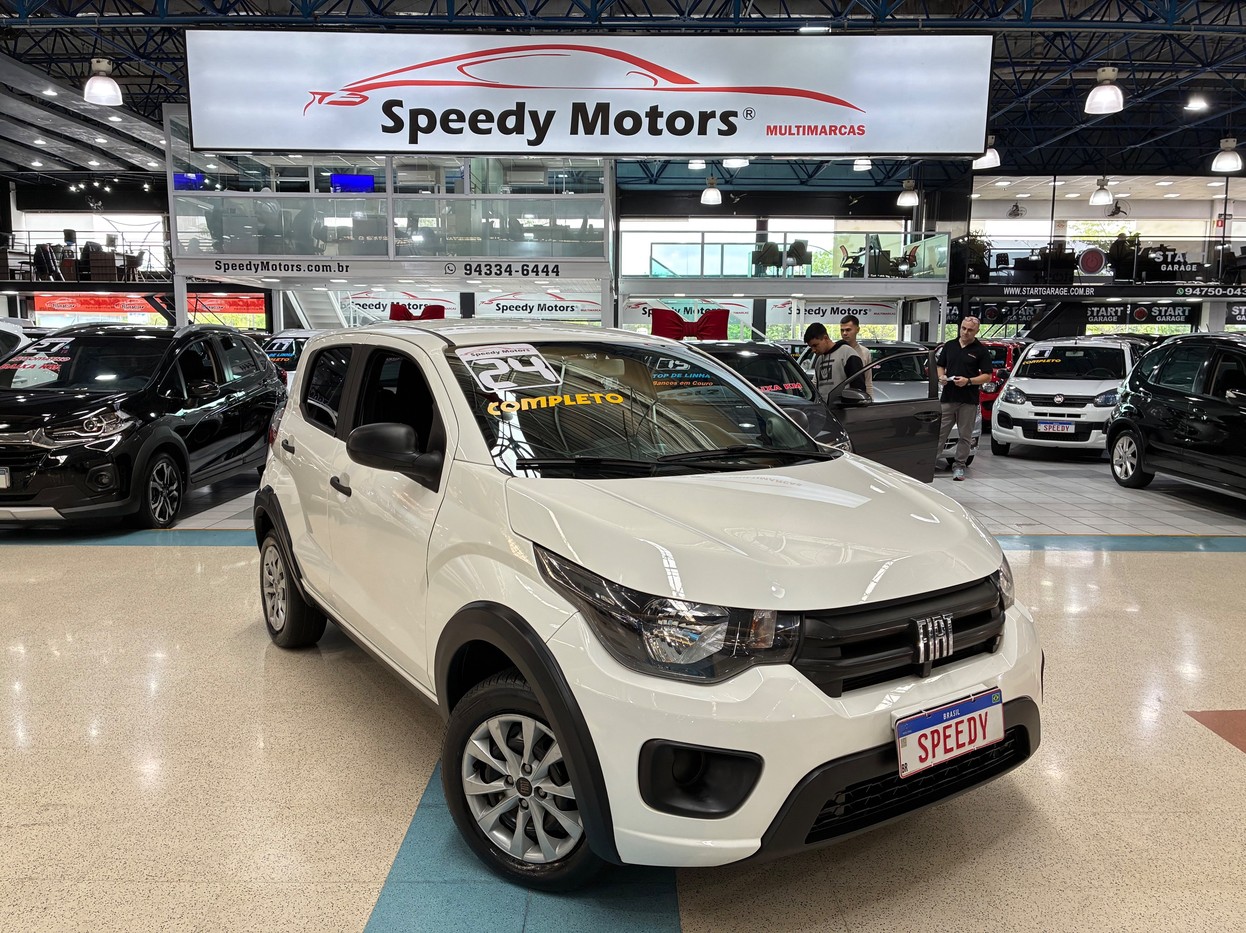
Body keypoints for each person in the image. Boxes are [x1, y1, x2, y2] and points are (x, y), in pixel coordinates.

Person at [936, 316, 994, 481]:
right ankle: (930, 463)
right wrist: (941, 377)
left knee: (965, 435)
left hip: (968, 400)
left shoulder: (980, 350)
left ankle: (959, 466)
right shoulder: (950, 346)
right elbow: (940, 365)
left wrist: (968, 381)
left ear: (977, 331)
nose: (965, 332)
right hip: (948, 398)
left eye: (970, 330)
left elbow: (987, 376)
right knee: (940, 433)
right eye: (963, 328)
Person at [803, 321, 866, 402]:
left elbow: (858, 387)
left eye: (815, 345)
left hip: (845, 408)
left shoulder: (847, 353)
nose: (813, 350)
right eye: (811, 347)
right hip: (824, 408)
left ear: (825, 338)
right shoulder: (819, 360)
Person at [837, 314, 873, 398]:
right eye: (842, 330)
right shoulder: (835, 351)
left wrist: (870, 400)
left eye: (848, 330)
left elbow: (868, 381)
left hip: (857, 397)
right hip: (836, 398)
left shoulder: (865, 353)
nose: (844, 333)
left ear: (857, 330)